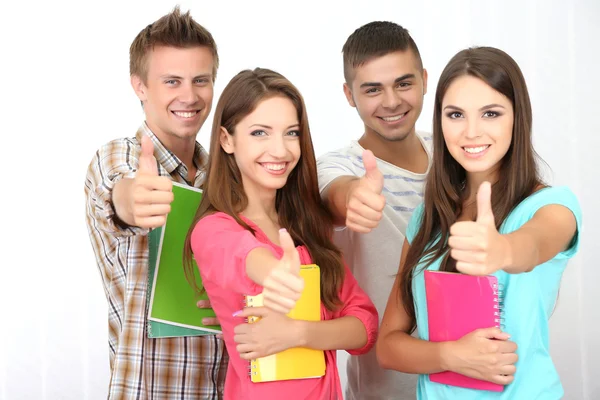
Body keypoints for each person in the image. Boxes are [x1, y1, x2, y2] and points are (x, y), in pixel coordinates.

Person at [376, 46, 582, 400]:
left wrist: (501, 249)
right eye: (455, 114)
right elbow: (388, 347)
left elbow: (532, 245)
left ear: (518, 118)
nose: (471, 132)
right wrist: (450, 356)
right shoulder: (428, 218)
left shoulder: (553, 206)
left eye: (491, 113)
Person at [183, 67, 379, 400]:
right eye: (260, 133)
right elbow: (246, 257)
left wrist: (299, 332)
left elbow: (365, 326)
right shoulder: (213, 228)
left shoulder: (308, 230)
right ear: (226, 140)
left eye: (291, 133)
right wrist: (277, 276)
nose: (281, 150)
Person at [84, 7, 227, 399]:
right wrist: (136, 200)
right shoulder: (118, 158)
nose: (190, 96)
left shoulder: (225, 176)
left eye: (201, 80)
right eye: (172, 81)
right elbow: (122, 194)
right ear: (140, 86)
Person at [317, 21, 431, 399]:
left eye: (403, 83)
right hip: (387, 389)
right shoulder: (339, 166)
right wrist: (354, 199)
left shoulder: (456, 154)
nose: (392, 101)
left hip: (469, 380)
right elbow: (335, 194)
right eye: (372, 90)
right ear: (350, 95)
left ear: (424, 79)